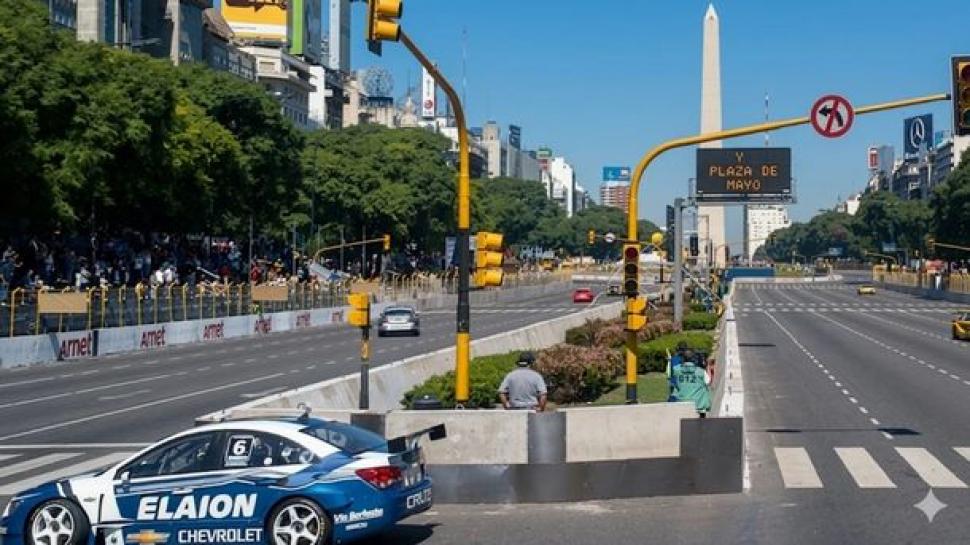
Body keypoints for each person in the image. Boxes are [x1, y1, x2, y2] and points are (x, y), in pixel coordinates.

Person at [670, 347, 711, 417]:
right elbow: (708, 381)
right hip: (699, 405)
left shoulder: (676, 369)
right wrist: (708, 367)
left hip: (682, 402)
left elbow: (672, 380)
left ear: (682, 358)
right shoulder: (700, 371)